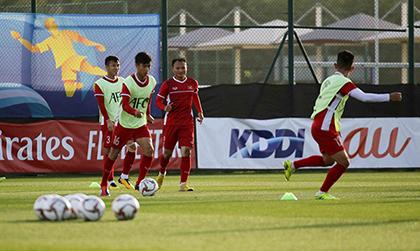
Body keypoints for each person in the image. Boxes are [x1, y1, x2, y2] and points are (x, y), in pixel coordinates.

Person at [283, 50, 402, 200]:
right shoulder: (344, 83)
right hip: (326, 127)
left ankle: (292, 165)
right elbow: (364, 98)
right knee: (344, 162)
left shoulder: (328, 80)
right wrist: (389, 97)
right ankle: (322, 193)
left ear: (335, 65)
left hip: (318, 125)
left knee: (328, 160)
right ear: (353, 68)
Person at [100, 52, 156, 196]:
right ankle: (104, 184)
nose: (147, 69)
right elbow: (124, 105)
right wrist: (134, 111)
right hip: (124, 125)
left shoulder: (152, 81)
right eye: (144, 66)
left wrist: (148, 113)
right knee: (113, 154)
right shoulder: (128, 83)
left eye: (149, 66)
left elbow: (148, 98)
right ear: (137, 66)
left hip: (140, 124)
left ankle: (140, 183)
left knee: (149, 150)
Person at [11, 17, 106, 97]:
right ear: (48, 27)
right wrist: (19, 38)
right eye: (52, 23)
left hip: (73, 59)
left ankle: (112, 78)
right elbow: (33, 48)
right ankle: (86, 86)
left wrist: (96, 44)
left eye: (55, 22)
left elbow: (82, 39)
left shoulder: (66, 33)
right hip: (64, 65)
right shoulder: (49, 41)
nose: (55, 24)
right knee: (69, 93)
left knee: (92, 70)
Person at [155, 57, 204, 192]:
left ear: (186, 68)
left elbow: (195, 96)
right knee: (167, 154)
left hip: (187, 122)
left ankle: (183, 183)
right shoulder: (168, 84)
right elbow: (158, 101)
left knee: (186, 151)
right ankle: (161, 173)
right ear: (173, 69)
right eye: (178, 68)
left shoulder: (192, 83)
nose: (181, 70)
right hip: (171, 122)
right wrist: (165, 108)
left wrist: (199, 111)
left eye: (183, 67)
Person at [93, 56, 136, 189]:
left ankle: (124, 176)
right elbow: (101, 105)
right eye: (113, 66)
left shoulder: (123, 82)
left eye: (117, 65)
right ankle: (109, 179)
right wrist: (108, 120)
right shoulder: (99, 84)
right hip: (108, 121)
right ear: (106, 67)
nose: (116, 68)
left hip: (123, 122)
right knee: (109, 151)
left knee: (132, 146)